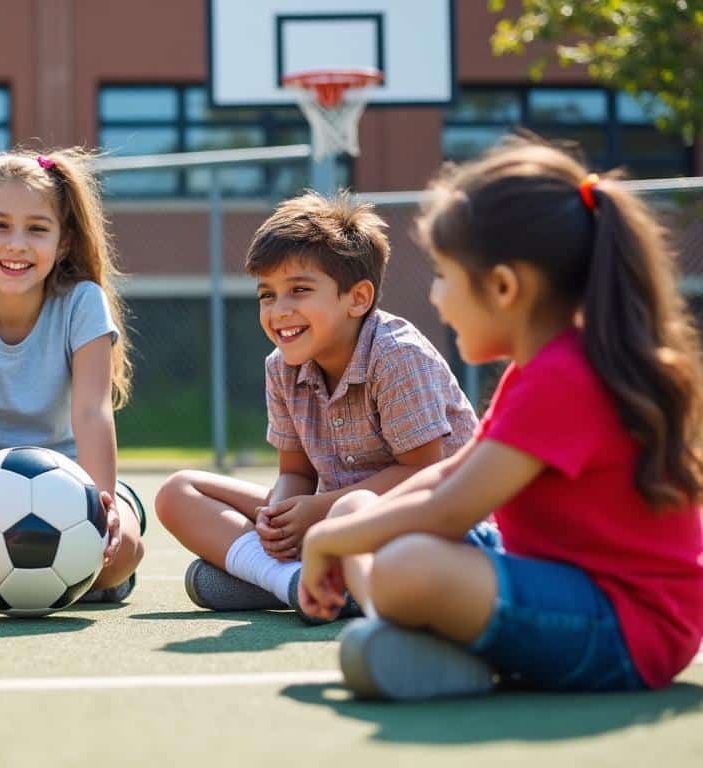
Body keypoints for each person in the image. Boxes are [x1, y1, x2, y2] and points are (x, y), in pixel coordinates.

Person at [298, 138, 703, 699]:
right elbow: (447, 475)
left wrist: (326, 542)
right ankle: (419, 632)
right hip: (548, 575)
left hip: (628, 626)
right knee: (356, 507)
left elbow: (450, 509)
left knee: (404, 564)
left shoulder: (567, 375)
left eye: (444, 275)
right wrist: (342, 530)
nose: (436, 297)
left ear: (505, 287)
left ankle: (427, 633)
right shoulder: (537, 368)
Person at [154, 191, 476, 624]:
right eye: (266, 295)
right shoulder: (281, 368)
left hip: (422, 521)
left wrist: (317, 512)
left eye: (299, 291)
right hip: (329, 520)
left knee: (218, 577)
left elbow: (422, 474)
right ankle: (296, 581)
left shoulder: (397, 355)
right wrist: (279, 517)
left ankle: (284, 577)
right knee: (178, 491)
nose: (279, 311)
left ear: (357, 298)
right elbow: (296, 473)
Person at [0, 148, 146, 606]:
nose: (17, 244)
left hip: (73, 478)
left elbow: (92, 413)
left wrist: (104, 504)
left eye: (37, 229)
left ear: (64, 243)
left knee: (124, 551)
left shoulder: (83, 302)